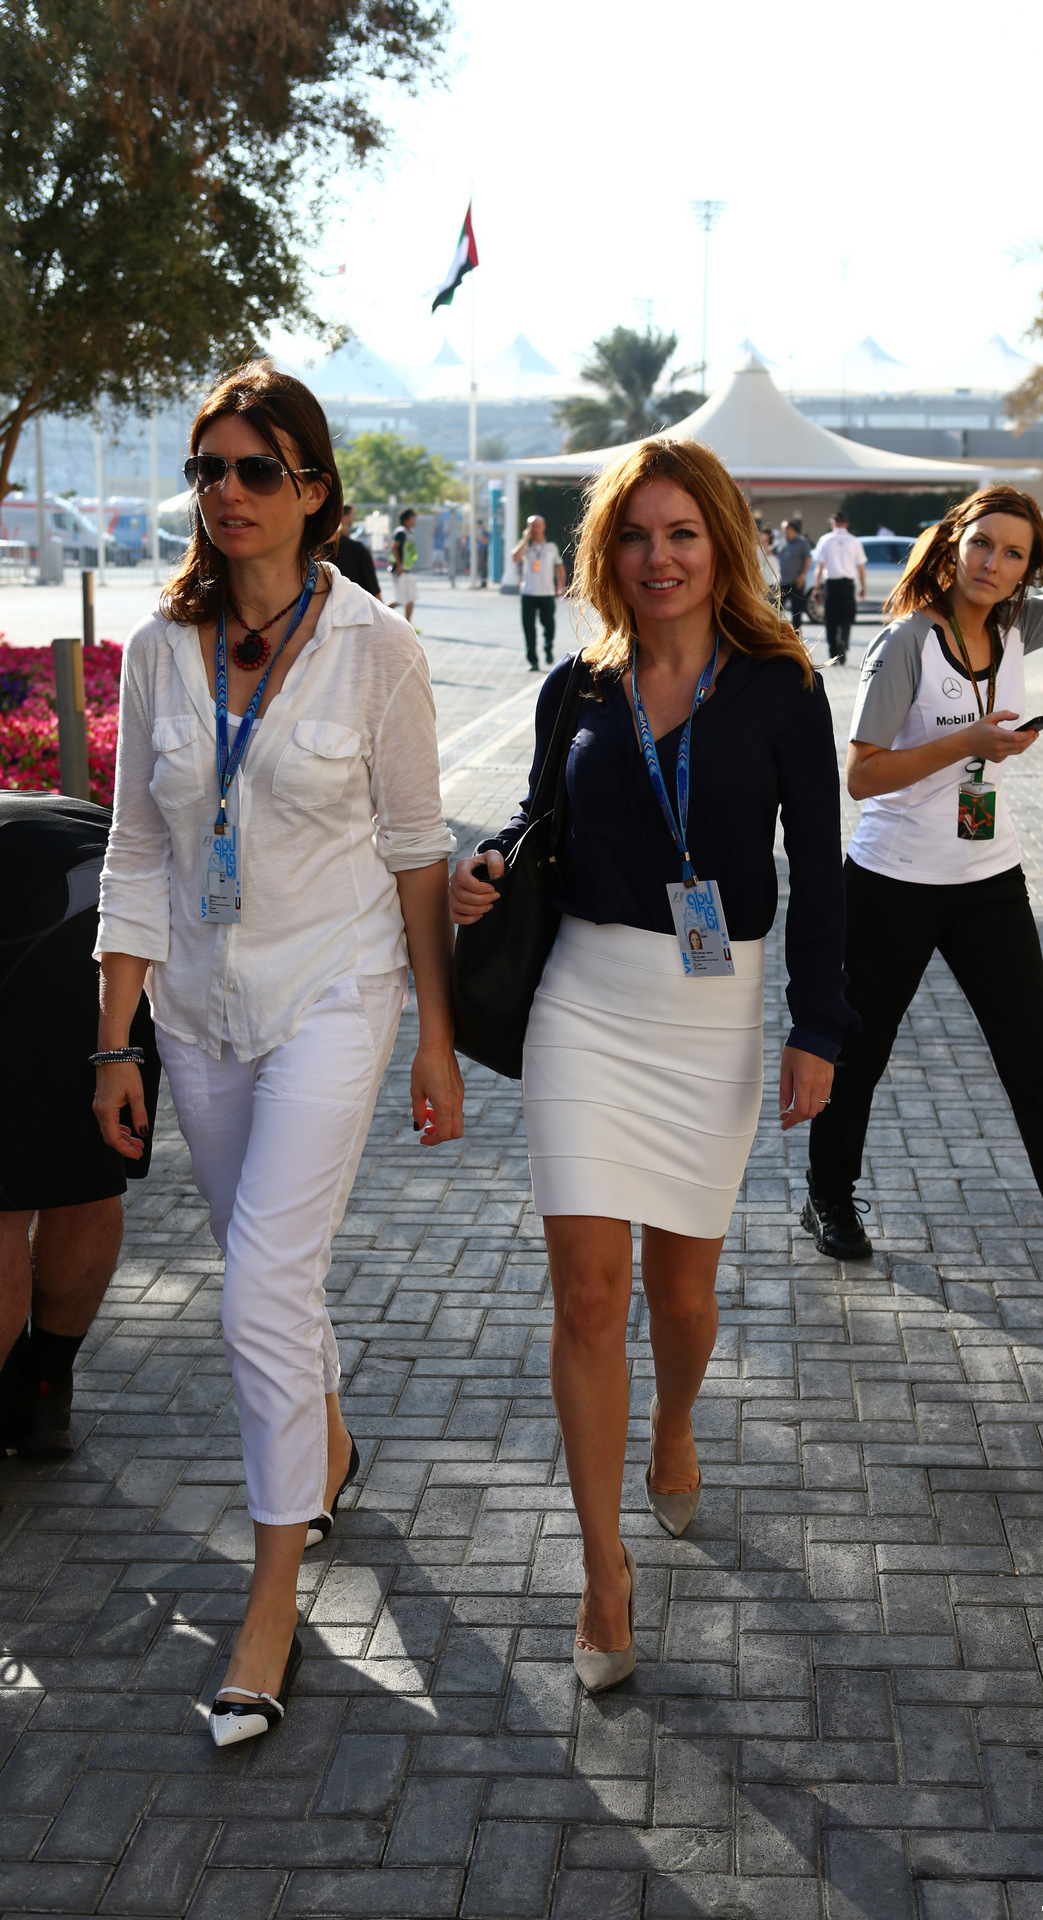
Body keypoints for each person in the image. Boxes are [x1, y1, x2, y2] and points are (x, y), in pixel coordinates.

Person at [94, 360, 462, 1750]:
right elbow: (135, 848)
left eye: (257, 470)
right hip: (196, 1010)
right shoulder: (152, 648)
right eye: (208, 470)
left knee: (256, 1286)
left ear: (313, 489)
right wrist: (110, 1040)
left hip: (335, 992)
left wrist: (436, 1036)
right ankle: (333, 1445)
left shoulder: (381, 651)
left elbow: (419, 856)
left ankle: (269, 1594)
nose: (227, 495)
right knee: (273, 1274)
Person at [450, 437, 852, 1692]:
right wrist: (489, 866)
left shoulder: (783, 687)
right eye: (634, 536)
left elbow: (824, 871)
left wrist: (818, 1026)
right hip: (583, 996)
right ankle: (601, 1567)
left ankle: (675, 1424)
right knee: (586, 1296)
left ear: (719, 545)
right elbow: (537, 816)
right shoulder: (574, 686)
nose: (658, 558)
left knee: (679, 1300)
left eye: (680, 535)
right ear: (603, 553)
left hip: (713, 1014)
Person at [803, 485, 1043, 1315]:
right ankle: (827, 1194)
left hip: (988, 880)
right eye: (981, 545)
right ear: (950, 543)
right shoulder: (907, 643)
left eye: (1013, 553)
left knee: (1036, 1065)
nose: (992, 564)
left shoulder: (1013, 622)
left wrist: (1031, 571)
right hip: (893, 877)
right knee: (860, 1051)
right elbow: (860, 775)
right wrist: (967, 743)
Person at [0, 792, 161, 1459]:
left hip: (41, 917)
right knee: (87, 1180)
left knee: (3, 1208)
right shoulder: (49, 806)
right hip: (106, 921)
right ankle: (45, 1393)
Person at [811, 509, 868, 665]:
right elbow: (861, 568)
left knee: (831, 619)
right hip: (847, 584)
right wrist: (863, 586)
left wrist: (817, 588)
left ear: (833, 523)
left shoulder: (825, 540)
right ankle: (843, 640)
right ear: (847, 523)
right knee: (846, 617)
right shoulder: (854, 541)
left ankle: (833, 651)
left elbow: (819, 567)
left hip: (831, 584)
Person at [513, 514, 566, 670]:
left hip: (547, 593)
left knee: (549, 625)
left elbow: (559, 567)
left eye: (537, 525)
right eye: (531, 526)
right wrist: (524, 539)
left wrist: (561, 586)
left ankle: (548, 647)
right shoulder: (525, 547)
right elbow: (515, 558)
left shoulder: (551, 547)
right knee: (529, 628)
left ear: (544, 527)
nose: (534, 529)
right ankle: (533, 661)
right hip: (528, 593)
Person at [331, 503, 381, 599]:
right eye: (352, 514)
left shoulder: (351, 544)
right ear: (344, 517)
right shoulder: (353, 546)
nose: (354, 517)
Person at [777, 518, 812, 633]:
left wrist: (802, 575)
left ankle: (797, 637)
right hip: (783, 581)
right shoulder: (783, 542)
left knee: (796, 612)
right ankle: (779, 634)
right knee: (777, 610)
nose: (783, 531)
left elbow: (808, 558)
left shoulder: (802, 542)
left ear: (791, 528)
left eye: (784, 529)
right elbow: (772, 552)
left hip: (796, 582)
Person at [390, 508, 417, 625]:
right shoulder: (401, 532)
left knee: (411, 597)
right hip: (400, 571)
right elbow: (394, 548)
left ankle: (408, 625)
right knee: (399, 599)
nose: (414, 520)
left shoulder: (409, 533)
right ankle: (379, 614)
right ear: (406, 520)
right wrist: (399, 566)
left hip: (407, 570)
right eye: (412, 518)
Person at [476, 522, 490, 586]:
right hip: (479, 549)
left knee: (483, 566)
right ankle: (481, 580)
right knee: (480, 566)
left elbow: (485, 541)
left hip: (484, 550)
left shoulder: (484, 532)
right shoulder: (477, 532)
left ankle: (484, 581)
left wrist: (480, 537)